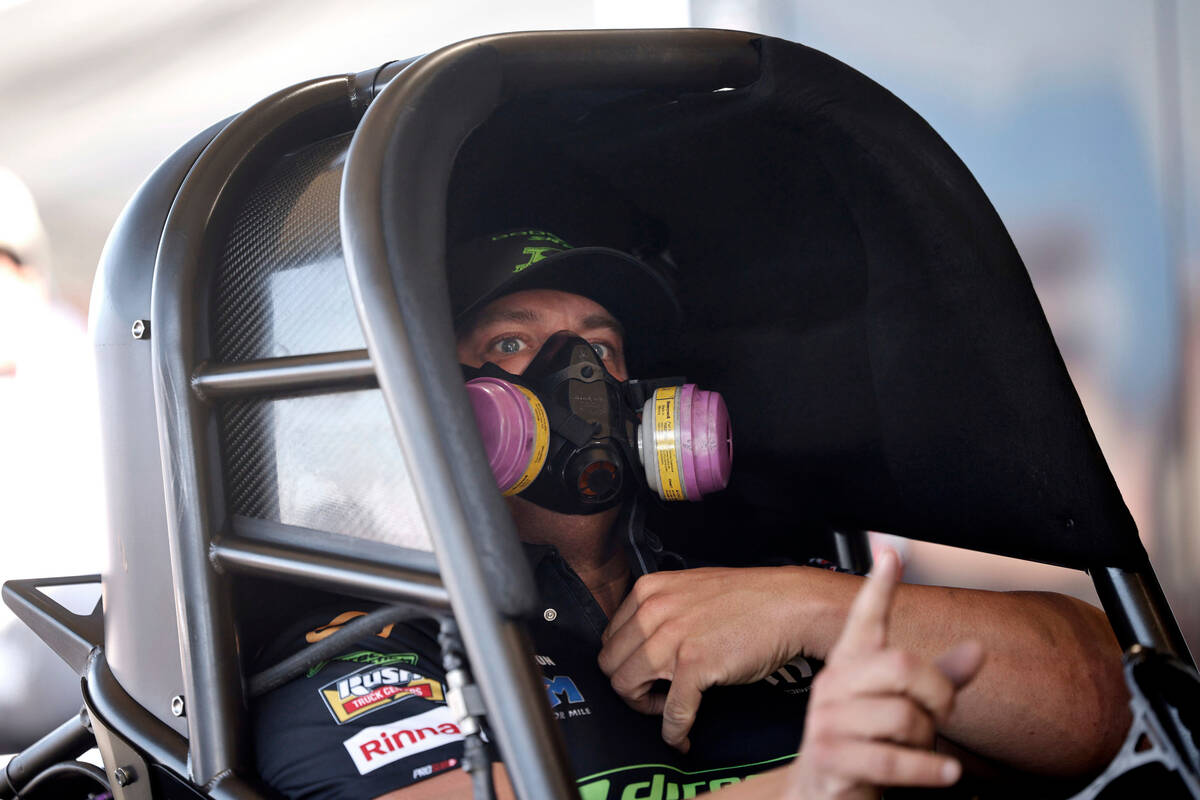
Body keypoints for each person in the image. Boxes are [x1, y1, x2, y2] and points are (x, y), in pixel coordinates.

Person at [252, 229, 1128, 799]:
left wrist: (814, 608)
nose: (576, 376)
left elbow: (1110, 708)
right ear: (436, 397)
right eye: (511, 344)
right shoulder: (369, 650)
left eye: (599, 346)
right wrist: (807, 785)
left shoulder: (763, 598)